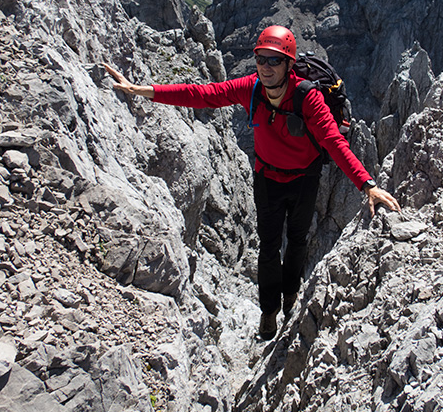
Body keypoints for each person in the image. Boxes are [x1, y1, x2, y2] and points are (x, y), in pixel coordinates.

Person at [104, 25, 401, 340]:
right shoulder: (252, 88)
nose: (266, 67)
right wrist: (144, 91)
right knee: (269, 247)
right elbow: (203, 95)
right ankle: (269, 312)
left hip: (304, 179)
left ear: (289, 64)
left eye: (275, 60)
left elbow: (333, 141)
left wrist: (367, 185)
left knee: (297, 241)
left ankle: (291, 295)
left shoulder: (307, 97)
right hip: (267, 179)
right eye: (261, 59)